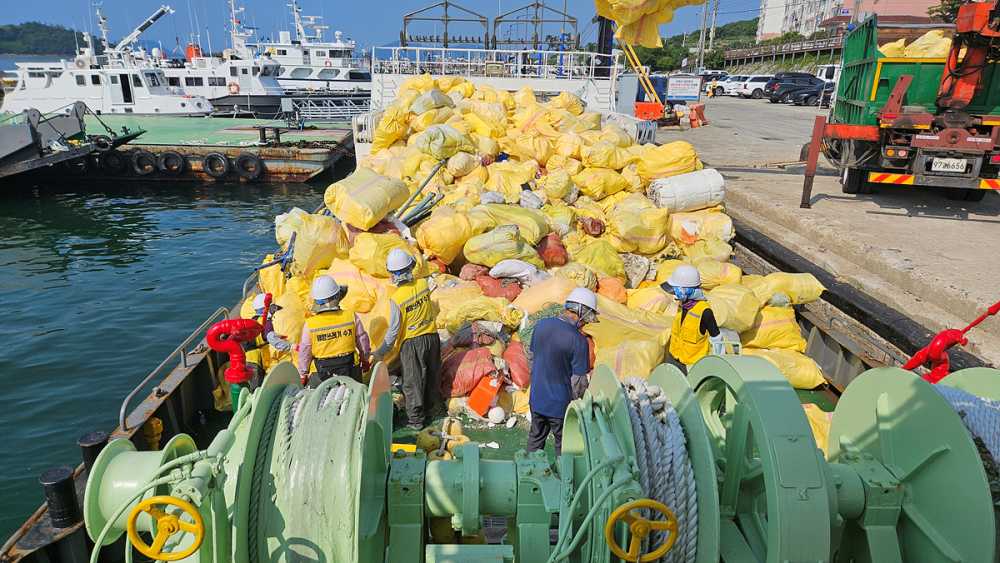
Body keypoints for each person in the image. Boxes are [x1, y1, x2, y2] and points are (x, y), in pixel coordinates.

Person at [372, 249, 441, 430]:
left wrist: (380, 352)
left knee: (413, 382)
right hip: (432, 337)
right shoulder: (423, 284)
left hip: (412, 343)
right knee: (432, 375)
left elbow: (394, 330)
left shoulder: (396, 299)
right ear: (411, 266)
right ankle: (435, 410)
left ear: (392, 274)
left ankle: (416, 420)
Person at [526, 288, 597, 456]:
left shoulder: (542, 325)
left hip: (536, 398)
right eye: (586, 317)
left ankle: (528, 475)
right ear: (580, 311)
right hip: (559, 406)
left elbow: (532, 357)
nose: (586, 322)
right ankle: (564, 479)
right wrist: (579, 405)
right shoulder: (579, 341)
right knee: (564, 447)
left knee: (535, 439)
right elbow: (578, 382)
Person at [297, 276, 371, 387]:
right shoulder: (350, 316)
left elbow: (305, 351)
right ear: (337, 297)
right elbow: (362, 339)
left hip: (324, 373)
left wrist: (303, 373)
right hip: (351, 369)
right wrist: (365, 359)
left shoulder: (310, 324)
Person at [662, 264, 722, 370]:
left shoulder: (705, 312)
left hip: (691, 366)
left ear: (686, 290)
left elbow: (717, 339)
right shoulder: (682, 305)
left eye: (675, 290)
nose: (673, 294)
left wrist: (717, 365)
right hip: (673, 358)